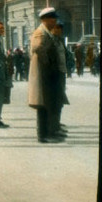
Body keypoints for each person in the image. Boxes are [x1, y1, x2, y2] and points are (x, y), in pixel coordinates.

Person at [28, 7, 66, 143]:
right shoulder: (40, 32)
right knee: (43, 105)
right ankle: (43, 135)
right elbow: (37, 48)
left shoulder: (46, 32)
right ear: (44, 20)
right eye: (52, 18)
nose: (54, 21)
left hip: (48, 74)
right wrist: (48, 62)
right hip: (43, 74)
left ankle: (49, 133)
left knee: (49, 104)